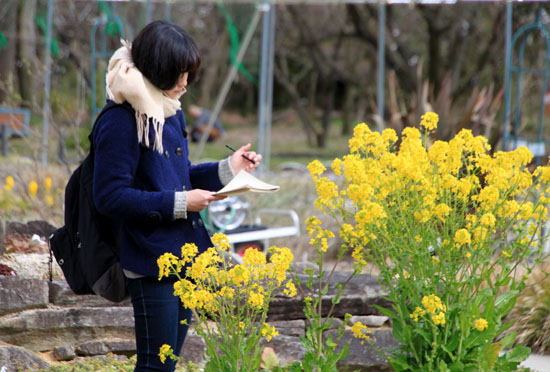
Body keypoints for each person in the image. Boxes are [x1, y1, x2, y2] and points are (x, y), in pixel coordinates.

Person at [92, 20, 261, 372]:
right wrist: (180, 204)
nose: (185, 83)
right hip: (150, 258)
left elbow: (176, 177)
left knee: (166, 365)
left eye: (189, 74)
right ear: (155, 69)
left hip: (183, 254)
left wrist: (230, 168)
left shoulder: (165, 110)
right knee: (156, 366)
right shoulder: (121, 119)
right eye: (178, 74)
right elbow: (109, 196)